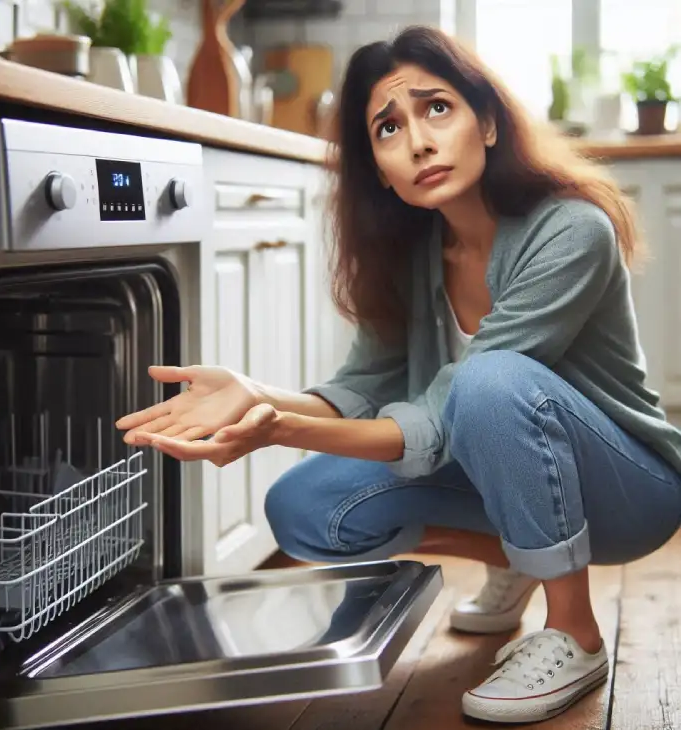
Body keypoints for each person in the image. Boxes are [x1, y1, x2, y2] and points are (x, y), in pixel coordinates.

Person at [115, 25, 681, 724]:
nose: (417, 140)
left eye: (437, 108)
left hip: (634, 492)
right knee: (304, 506)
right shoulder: (413, 254)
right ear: (380, 168)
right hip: (509, 464)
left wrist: (279, 428)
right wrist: (254, 395)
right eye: (389, 126)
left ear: (490, 121)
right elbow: (361, 388)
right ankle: (524, 555)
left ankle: (575, 631)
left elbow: (450, 411)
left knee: (489, 382)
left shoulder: (570, 228)